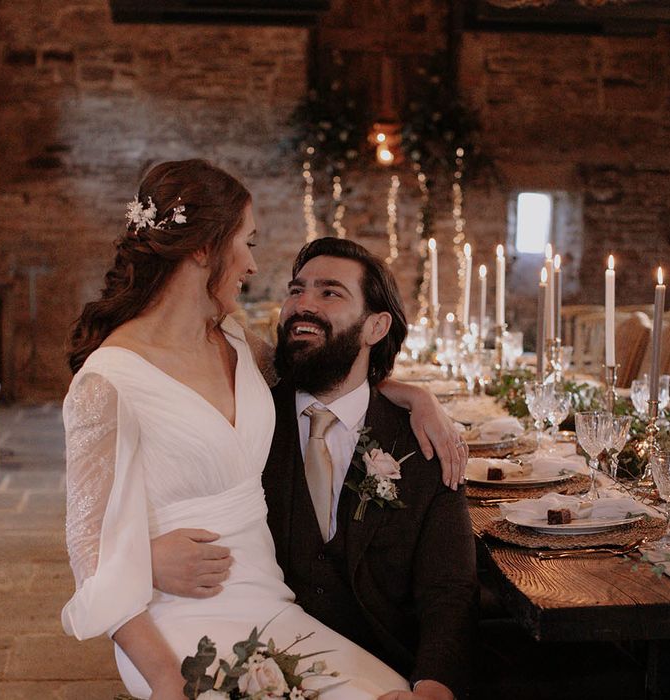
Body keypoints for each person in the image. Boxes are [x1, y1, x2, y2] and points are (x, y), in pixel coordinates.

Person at [62, 159, 465, 700]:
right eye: (247, 242)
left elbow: (328, 373)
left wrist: (417, 396)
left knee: (390, 692)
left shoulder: (236, 343)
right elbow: (88, 551)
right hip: (177, 622)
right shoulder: (107, 380)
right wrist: (164, 674)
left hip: (271, 606)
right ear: (205, 248)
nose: (253, 265)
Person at [152, 237, 477, 700]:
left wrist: (433, 689)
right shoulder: (243, 421)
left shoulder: (423, 441)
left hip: (387, 675)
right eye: (296, 289)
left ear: (376, 327)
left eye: (330, 293)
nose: (302, 304)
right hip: (257, 666)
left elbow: (450, 590)